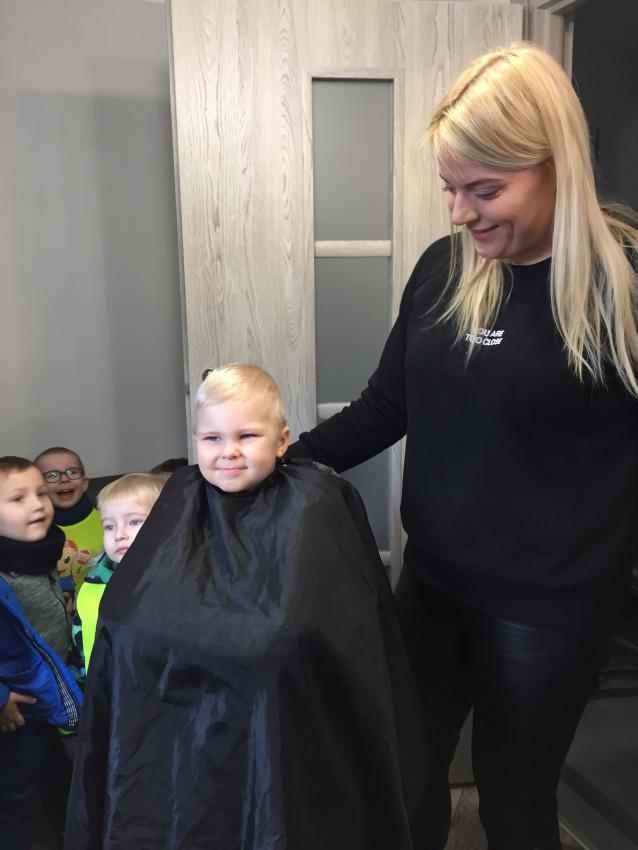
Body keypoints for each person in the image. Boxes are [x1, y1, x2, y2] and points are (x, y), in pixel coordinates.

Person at [286, 42, 638, 850]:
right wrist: (282, 462)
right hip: (435, 584)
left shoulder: (621, 289)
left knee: (514, 806)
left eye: (485, 190)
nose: (459, 213)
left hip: (550, 611)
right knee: (404, 779)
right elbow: (387, 405)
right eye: (451, 188)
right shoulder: (444, 270)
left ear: (557, 166)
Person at [65, 364, 424, 850]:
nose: (228, 451)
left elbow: (334, 631)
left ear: (282, 440)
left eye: (246, 436)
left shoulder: (316, 504)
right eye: (212, 438)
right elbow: (128, 612)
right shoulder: (177, 496)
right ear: (195, 441)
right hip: (172, 731)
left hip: (276, 724)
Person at [0, 456, 82, 850]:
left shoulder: (43, 549)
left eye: (40, 494)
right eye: (17, 499)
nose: (37, 505)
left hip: (53, 687)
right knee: (16, 796)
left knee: (58, 776)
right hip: (17, 708)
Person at [71, 473, 165, 681]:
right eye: (109, 526)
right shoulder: (92, 585)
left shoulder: (176, 584)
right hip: (99, 691)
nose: (119, 534)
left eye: (134, 522)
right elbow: (80, 644)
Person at [35, 447, 103, 602]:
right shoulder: (32, 530)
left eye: (72, 472)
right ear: (38, 488)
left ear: (85, 483)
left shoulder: (108, 522)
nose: (64, 479)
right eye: (52, 475)